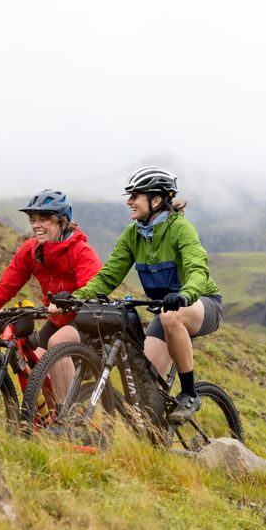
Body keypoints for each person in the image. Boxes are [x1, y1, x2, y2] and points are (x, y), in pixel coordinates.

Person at [72, 166, 223, 422]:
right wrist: (76, 298)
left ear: (155, 200)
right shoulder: (133, 235)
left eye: (135, 196)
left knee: (170, 317)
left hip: (200, 303)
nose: (129, 201)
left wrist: (185, 294)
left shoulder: (180, 229)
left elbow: (198, 269)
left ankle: (189, 394)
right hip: (165, 310)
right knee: (146, 389)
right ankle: (157, 433)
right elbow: (108, 276)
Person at [0, 189, 102, 396]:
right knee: (36, 367)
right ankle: (50, 421)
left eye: (44, 219)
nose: (36, 225)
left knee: (56, 344)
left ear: (62, 222)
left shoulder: (81, 252)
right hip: (56, 321)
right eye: (33, 219)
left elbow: (93, 292)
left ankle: (67, 420)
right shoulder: (31, 250)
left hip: (85, 320)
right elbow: (6, 286)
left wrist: (69, 301)